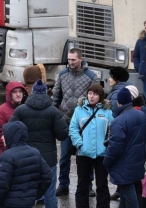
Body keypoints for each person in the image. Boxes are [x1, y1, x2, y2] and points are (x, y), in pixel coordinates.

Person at [10, 79, 69, 208]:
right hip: (48, 159)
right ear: (46, 93)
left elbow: (11, 131)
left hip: (26, 157)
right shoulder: (53, 111)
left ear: (32, 93)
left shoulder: (21, 110)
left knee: (27, 193)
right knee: (50, 193)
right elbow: (63, 134)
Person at [51, 47, 99, 197]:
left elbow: (97, 99)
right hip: (66, 122)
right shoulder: (62, 74)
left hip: (85, 124)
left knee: (86, 156)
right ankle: (63, 185)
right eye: (69, 59)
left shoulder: (91, 77)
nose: (70, 62)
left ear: (81, 59)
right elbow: (56, 97)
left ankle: (87, 186)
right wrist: (54, 115)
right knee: (64, 156)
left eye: (73, 59)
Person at [69, 84, 114, 207]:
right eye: (90, 93)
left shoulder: (107, 111)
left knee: (102, 185)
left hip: (102, 154)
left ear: (100, 96)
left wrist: (107, 146)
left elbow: (113, 130)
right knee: (82, 185)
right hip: (83, 153)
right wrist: (79, 143)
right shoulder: (79, 110)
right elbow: (73, 128)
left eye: (95, 94)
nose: (92, 96)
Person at [104, 87, 146, 208]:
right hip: (137, 162)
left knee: (128, 192)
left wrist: (106, 161)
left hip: (124, 165)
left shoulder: (118, 121)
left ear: (119, 103)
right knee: (125, 193)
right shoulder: (141, 115)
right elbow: (145, 138)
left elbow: (115, 147)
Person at [0, 121, 52, 208]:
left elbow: (3, 185)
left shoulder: (7, 156)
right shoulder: (35, 152)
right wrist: (36, 195)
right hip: (29, 202)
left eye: (4, 134)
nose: (2, 138)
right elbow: (47, 176)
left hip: (10, 203)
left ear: (11, 135)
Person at [0, 81, 28, 154]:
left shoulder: (27, 109)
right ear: (9, 94)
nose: (18, 94)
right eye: (15, 92)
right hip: (9, 154)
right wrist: (9, 150)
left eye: (20, 91)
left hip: (26, 153)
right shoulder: (0, 112)